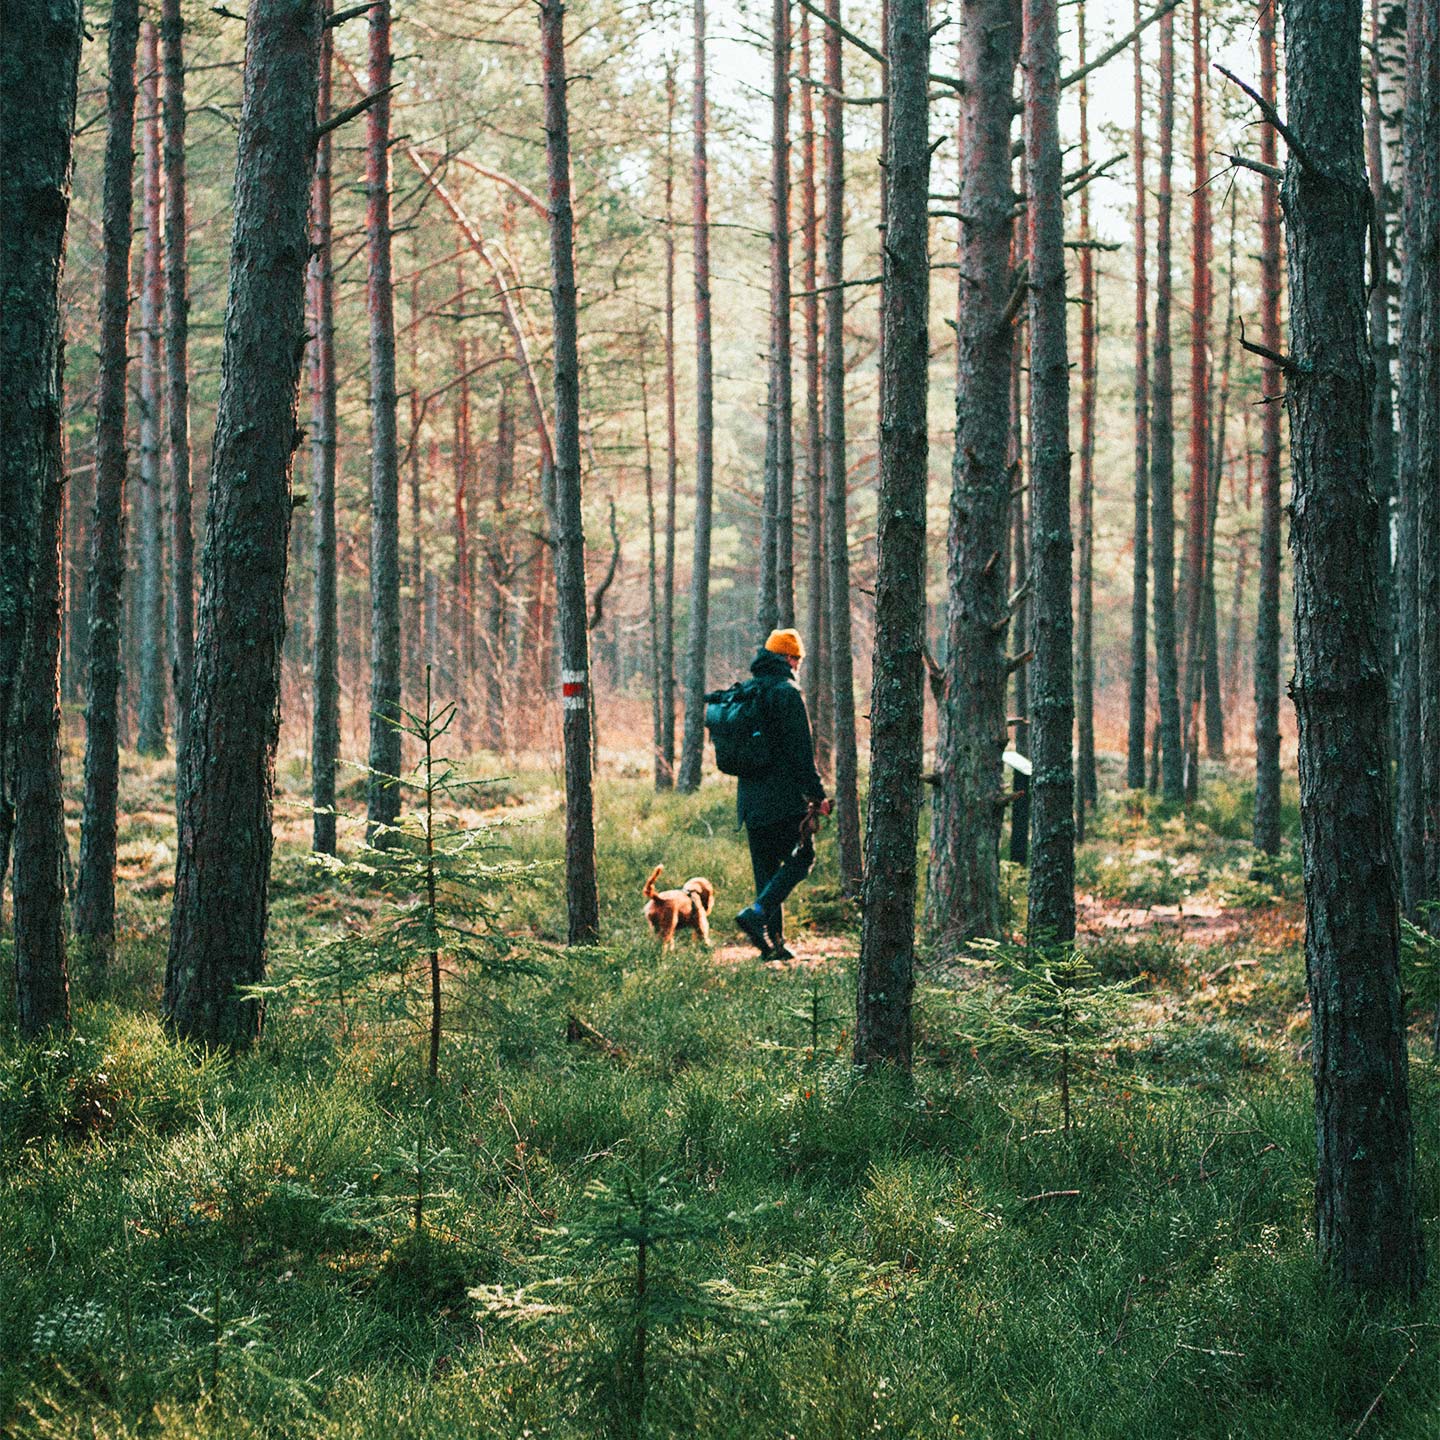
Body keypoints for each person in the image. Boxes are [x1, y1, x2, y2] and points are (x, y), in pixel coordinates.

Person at [733, 628, 832, 959]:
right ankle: (758, 915)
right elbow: (801, 754)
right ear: (790, 658)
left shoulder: (749, 690)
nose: (799, 664)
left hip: (750, 801)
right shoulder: (788, 693)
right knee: (803, 859)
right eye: (798, 659)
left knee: (766, 871)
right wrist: (818, 797)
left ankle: (773, 945)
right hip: (783, 800)